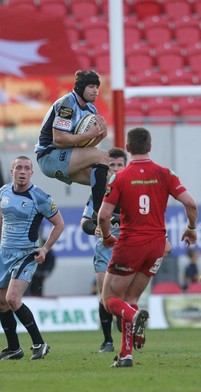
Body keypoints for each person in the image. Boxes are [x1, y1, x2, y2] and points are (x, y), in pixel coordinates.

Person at [98, 127, 198, 368]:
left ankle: (133, 316)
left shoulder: (119, 177)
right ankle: (126, 354)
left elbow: (103, 215)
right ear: (150, 147)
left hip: (131, 243)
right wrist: (191, 228)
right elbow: (190, 203)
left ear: (128, 148)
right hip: (156, 246)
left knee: (109, 298)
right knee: (131, 297)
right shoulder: (165, 173)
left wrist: (106, 236)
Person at [0, 156, 64, 360]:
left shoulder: (40, 197)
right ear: (12, 172)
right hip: (4, 253)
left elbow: (59, 224)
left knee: (12, 298)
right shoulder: (3, 192)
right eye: (18, 167)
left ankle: (40, 343)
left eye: (26, 168)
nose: (22, 171)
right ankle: (14, 348)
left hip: (26, 253)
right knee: (1, 302)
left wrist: (44, 249)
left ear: (31, 173)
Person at [35, 69, 109, 214]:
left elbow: (84, 147)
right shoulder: (67, 104)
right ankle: (98, 212)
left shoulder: (91, 109)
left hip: (67, 156)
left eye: (97, 87)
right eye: (91, 87)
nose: (96, 91)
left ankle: (93, 218)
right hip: (49, 156)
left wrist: (99, 137)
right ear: (80, 87)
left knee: (109, 180)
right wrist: (89, 134)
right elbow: (59, 140)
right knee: (102, 155)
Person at [81, 147, 127, 353]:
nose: (115, 169)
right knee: (104, 294)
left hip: (127, 248)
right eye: (111, 166)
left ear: (126, 167)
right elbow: (84, 223)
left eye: (119, 165)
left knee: (122, 293)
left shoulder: (131, 191)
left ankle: (122, 317)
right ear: (106, 170)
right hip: (104, 250)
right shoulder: (97, 194)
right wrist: (96, 229)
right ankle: (107, 340)